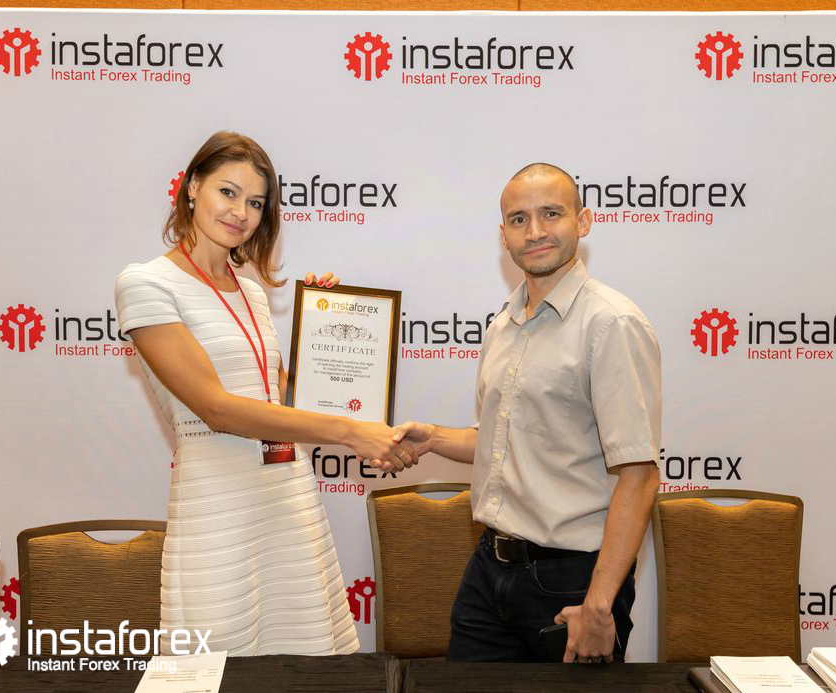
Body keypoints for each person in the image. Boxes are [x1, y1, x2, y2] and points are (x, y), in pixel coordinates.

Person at [114, 131, 418, 656]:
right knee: (218, 662)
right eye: (227, 192)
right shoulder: (146, 283)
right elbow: (216, 408)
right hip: (218, 501)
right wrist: (349, 431)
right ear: (192, 187)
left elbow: (273, 399)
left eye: (255, 202)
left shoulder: (252, 291)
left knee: (304, 659)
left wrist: (324, 325)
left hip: (287, 494)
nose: (241, 213)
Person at [391, 163, 661, 663]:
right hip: (487, 569)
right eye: (519, 219)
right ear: (503, 235)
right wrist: (432, 439)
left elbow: (639, 475)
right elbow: (498, 442)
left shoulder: (611, 323)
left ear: (583, 221)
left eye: (550, 214)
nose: (534, 231)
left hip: (573, 581)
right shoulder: (503, 325)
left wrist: (599, 604)